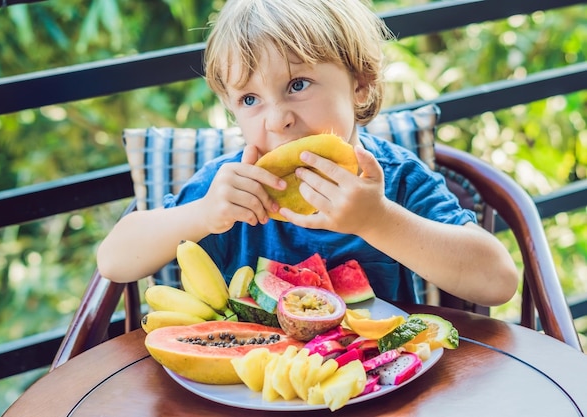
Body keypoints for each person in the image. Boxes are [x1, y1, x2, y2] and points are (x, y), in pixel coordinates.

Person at [97, 0, 518, 306]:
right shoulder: (230, 189)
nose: (277, 119)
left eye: (297, 85)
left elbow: (497, 282)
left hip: (375, 382)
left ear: (360, 84)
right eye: (249, 100)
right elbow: (114, 261)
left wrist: (379, 220)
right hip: (251, 385)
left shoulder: (396, 179)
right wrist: (201, 214)